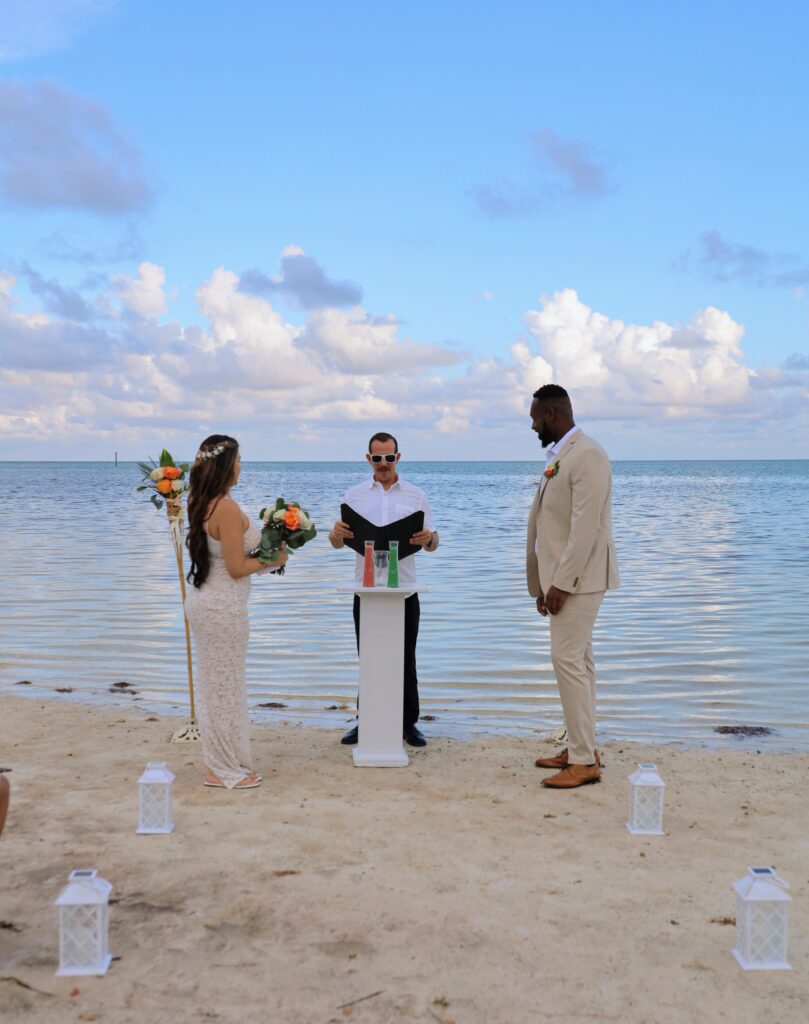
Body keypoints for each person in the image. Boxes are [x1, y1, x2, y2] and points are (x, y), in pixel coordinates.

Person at [526, 385, 620, 789]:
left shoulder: (588, 455)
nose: (532, 426)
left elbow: (585, 530)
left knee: (566, 660)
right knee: (579, 662)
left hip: (579, 580)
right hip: (564, 578)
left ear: (551, 414)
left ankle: (584, 762)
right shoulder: (562, 455)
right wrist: (541, 583)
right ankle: (582, 747)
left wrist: (561, 584)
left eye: (534, 418)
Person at [185, 434, 287, 789]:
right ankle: (223, 768)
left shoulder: (202, 501)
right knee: (225, 688)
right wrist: (276, 557)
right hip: (221, 608)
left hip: (207, 602)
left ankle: (222, 762)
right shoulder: (225, 509)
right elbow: (234, 567)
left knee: (217, 687)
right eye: (239, 459)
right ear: (226, 465)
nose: (242, 466)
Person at [328, 432, 439, 747]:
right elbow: (337, 542)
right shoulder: (354, 496)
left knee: (406, 657)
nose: (383, 464)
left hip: (404, 587)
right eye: (377, 458)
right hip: (366, 590)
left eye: (389, 457)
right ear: (368, 459)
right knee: (369, 656)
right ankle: (368, 720)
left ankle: (408, 724)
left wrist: (428, 539)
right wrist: (335, 535)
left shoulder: (416, 496)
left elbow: (433, 542)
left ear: (398, 457)